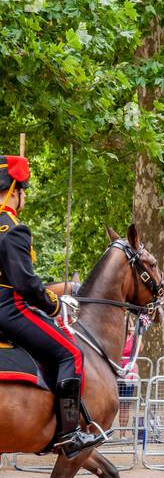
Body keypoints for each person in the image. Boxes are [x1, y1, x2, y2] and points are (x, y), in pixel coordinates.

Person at [0, 154, 103, 458]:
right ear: (13, 191)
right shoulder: (13, 228)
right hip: (9, 310)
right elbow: (27, 286)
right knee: (70, 352)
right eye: (23, 192)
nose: (24, 198)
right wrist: (54, 305)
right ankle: (70, 435)